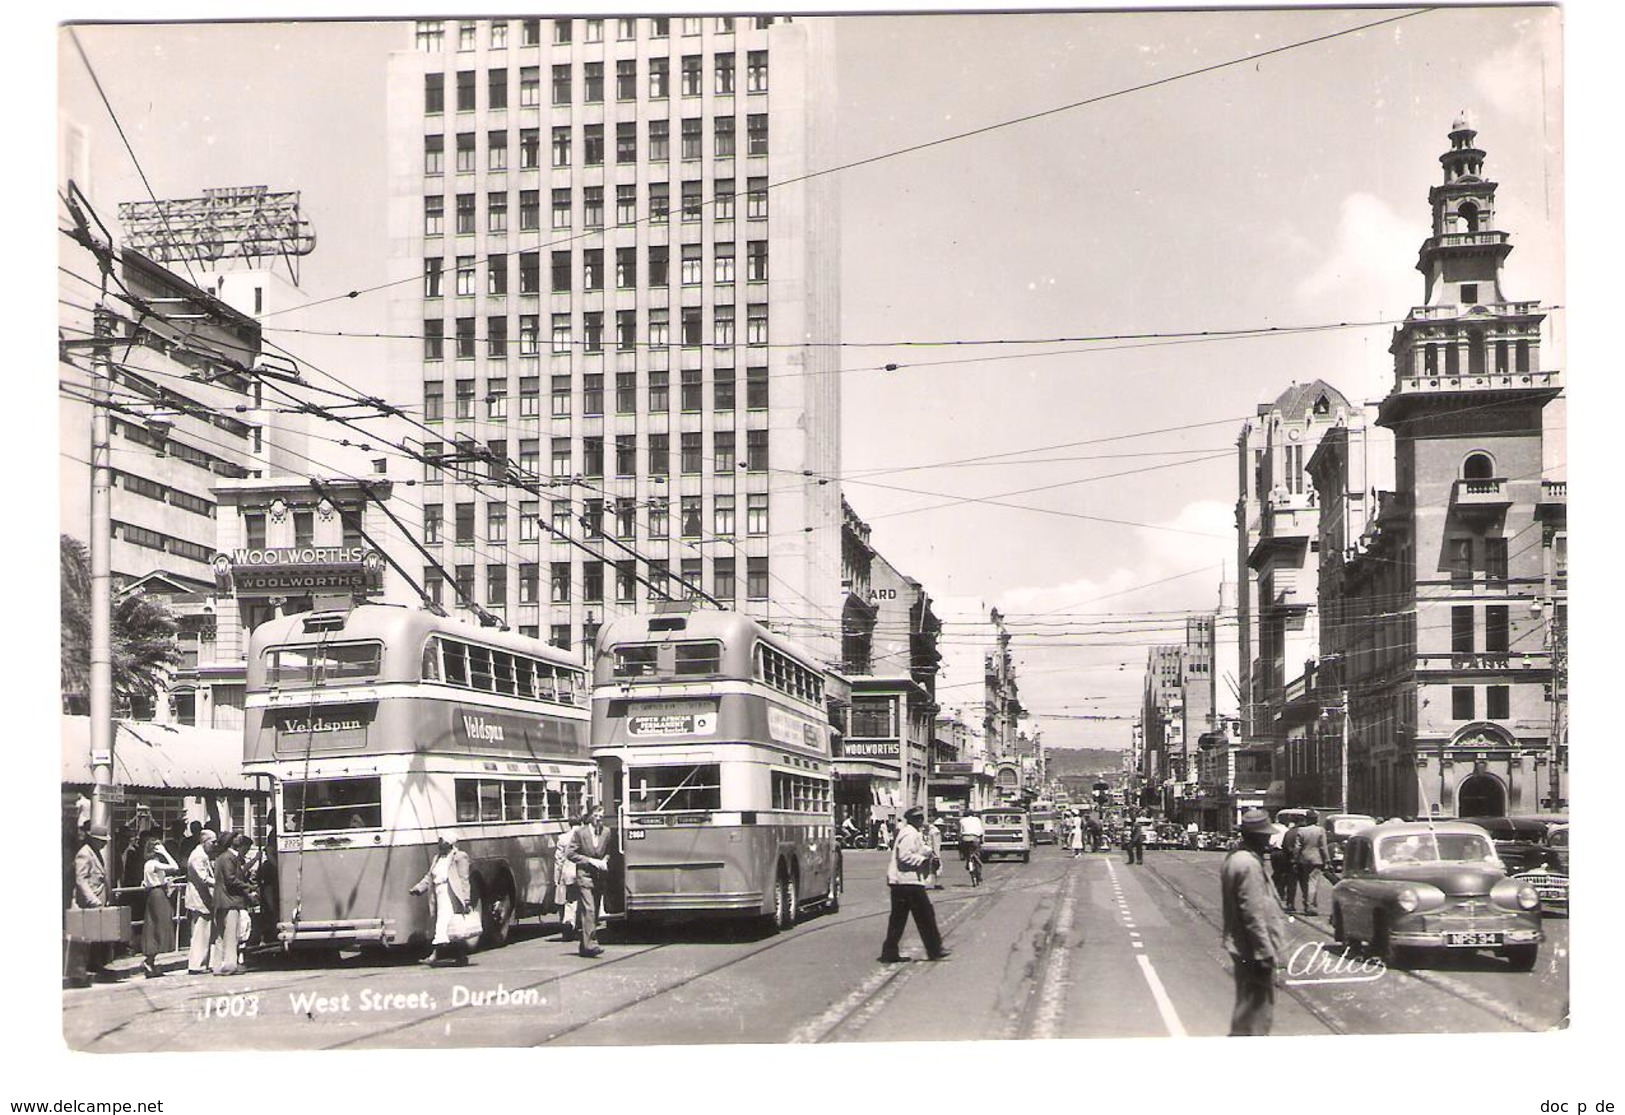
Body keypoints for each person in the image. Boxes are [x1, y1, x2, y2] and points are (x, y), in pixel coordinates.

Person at [1221, 809, 1288, 1036]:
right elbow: (1253, 913)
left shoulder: (1235, 858)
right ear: (1257, 836)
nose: (1269, 840)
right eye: (1266, 835)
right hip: (1252, 949)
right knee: (1257, 1015)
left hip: (1242, 944)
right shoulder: (1248, 864)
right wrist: (1265, 952)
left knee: (1246, 1010)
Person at [878, 806, 949, 963]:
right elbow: (905, 856)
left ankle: (890, 952)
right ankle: (934, 949)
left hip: (903, 882)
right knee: (925, 915)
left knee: (899, 918)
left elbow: (914, 849)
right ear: (914, 820)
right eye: (920, 819)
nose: (922, 822)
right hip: (907, 881)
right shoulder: (910, 833)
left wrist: (927, 851)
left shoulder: (911, 832)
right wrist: (923, 858)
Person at [409, 833, 473, 966]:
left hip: (451, 895)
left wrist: (466, 900)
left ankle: (435, 956)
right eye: (439, 841)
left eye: (441, 841)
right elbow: (429, 877)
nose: (439, 844)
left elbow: (464, 879)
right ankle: (461, 956)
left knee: (449, 924)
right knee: (446, 926)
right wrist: (419, 888)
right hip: (439, 894)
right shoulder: (437, 858)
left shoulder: (459, 857)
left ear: (449, 843)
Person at [65, 823, 111, 988]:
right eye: (101, 840)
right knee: (84, 940)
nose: (104, 844)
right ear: (93, 839)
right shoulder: (85, 854)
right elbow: (81, 880)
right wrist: (93, 900)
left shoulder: (96, 853)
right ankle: (80, 974)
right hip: (88, 904)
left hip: (98, 904)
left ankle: (94, 967)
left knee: (96, 938)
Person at [566, 803, 613, 959]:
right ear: (590, 816)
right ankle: (591, 945)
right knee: (590, 910)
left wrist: (605, 861)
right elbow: (570, 853)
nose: (598, 819)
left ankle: (584, 946)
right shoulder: (580, 833)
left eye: (601, 817)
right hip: (584, 876)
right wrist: (590, 861)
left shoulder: (606, 832)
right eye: (596, 816)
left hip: (599, 878)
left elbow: (608, 851)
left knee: (593, 913)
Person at [211, 832, 256, 976]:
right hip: (229, 900)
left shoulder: (223, 857)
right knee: (231, 934)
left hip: (222, 900)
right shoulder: (229, 858)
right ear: (230, 842)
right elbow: (230, 879)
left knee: (221, 935)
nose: (239, 838)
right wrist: (248, 887)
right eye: (236, 837)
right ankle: (230, 965)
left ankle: (218, 965)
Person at [138, 836, 181, 977]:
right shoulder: (152, 863)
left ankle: (150, 961)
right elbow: (175, 867)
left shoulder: (150, 865)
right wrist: (166, 852)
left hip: (155, 893)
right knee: (161, 925)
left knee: (154, 927)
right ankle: (149, 960)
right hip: (158, 895)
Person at [184, 829, 218, 974]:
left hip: (205, 898)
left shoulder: (203, 854)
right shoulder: (198, 856)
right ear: (205, 842)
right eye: (213, 842)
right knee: (200, 932)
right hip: (199, 898)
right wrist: (220, 883)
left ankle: (205, 962)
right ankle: (196, 964)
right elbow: (203, 878)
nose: (215, 845)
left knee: (207, 932)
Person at [1291, 810, 1330, 915]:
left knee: (1305, 882)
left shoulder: (1301, 830)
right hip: (1316, 859)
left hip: (1303, 859)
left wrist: (1295, 859)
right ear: (1316, 819)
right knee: (1313, 882)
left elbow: (1297, 847)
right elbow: (1323, 846)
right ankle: (1310, 906)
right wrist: (1327, 860)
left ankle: (1308, 903)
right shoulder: (1320, 830)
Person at [552, 825, 580, 942]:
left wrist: (557, 877)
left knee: (570, 899)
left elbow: (559, 860)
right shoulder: (584, 836)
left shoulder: (563, 838)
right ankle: (575, 923)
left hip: (568, 873)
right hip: (582, 872)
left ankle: (568, 922)